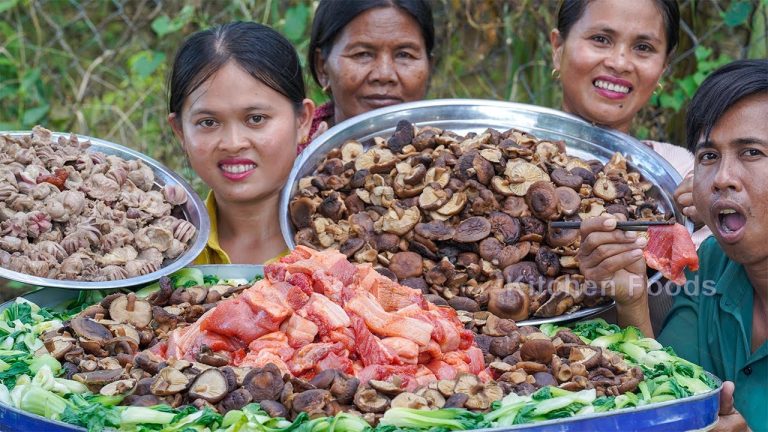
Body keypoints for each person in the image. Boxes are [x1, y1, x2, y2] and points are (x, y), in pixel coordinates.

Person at [579, 59, 768, 431]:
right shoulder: (710, 264)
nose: (722, 178)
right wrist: (632, 299)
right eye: (709, 156)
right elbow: (667, 389)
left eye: (751, 152)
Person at [167, 22, 314, 264]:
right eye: (208, 122)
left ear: (302, 121)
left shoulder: (348, 245)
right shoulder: (163, 252)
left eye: (256, 119)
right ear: (180, 131)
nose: (233, 143)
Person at [301, 0, 434, 152]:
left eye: (404, 55)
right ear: (322, 67)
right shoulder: (289, 155)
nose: (384, 75)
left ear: (429, 67)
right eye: (362, 54)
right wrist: (313, 161)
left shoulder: (454, 140)